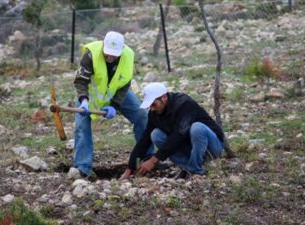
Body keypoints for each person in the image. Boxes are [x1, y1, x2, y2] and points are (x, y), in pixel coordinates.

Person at [69, 31, 153, 178]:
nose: (111, 57)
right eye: (108, 53)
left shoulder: (128, 55)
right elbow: (81, 80)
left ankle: (148, 157)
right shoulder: (91, 54)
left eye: (114, 54)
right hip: (90, 96)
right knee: (81, 125)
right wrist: (83, 101)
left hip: (116, 92)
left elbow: (125, 83)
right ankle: (83, 167)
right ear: (103, 46)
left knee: (141, 115)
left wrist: (114, 105)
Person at [120, 82, 224, 180]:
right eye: (149, 105)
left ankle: (196, 171)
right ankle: (187, 167)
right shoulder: (154, 113)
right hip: (190, 148)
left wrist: (153, 160)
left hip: (212, 147)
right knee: (156, 135)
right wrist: (130, 169)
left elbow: (179, 135)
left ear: (164, 98)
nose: (151, 109)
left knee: (197, 128)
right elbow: (144, 140)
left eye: (153, 104)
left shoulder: (184, 104)